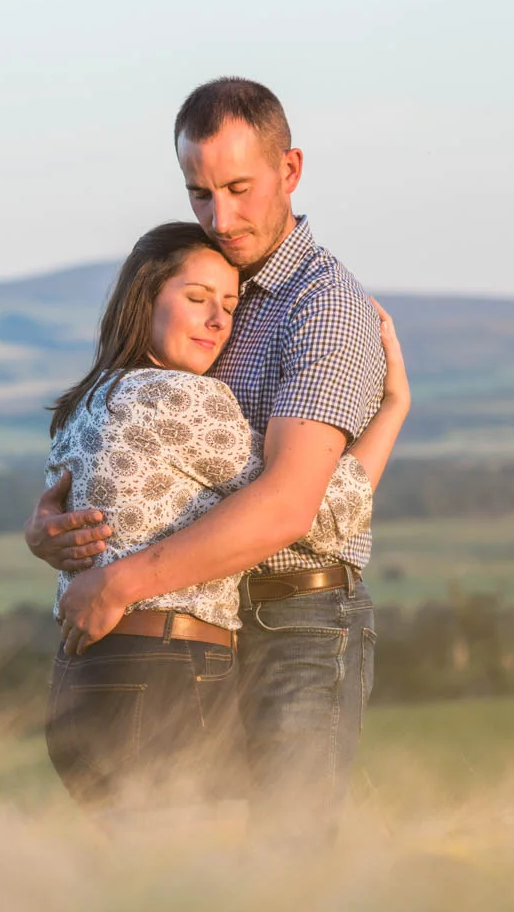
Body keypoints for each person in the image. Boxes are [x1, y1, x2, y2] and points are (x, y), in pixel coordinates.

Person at [28, 77, 400, 846]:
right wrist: (49, 534)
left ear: (290, 170)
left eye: (238, 188)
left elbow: (290, 508)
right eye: (199, 193)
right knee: (202, 866)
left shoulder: (321, 307)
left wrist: (121, 580)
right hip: (207, 622)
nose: (220, 217)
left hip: (297, 613)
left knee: (284, 862)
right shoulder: (211, 295)